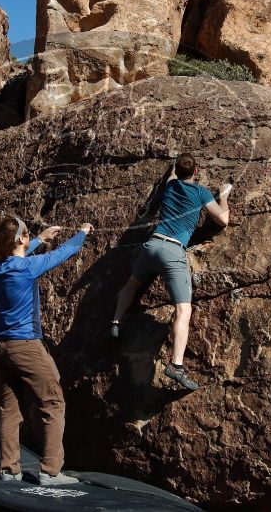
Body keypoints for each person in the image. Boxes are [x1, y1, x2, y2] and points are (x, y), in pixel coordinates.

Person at [111, 155, 232, 390]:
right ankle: (176, 366)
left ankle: (115, 321)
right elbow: (223, 220)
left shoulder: (170, 185)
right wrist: (223, 196)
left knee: (132, 284)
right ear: (196, 172)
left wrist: (174, 167)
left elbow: (172, 175)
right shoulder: (201, 193)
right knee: (183, 309)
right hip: (173, 251)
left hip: (152, 245)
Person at [0, 216, 93, 485]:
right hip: (26, 346)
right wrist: (81, 232)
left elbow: (18, 256)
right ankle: (50, 471)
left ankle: (8, 469)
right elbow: (65, 252)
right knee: (53, 402)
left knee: (9, 409)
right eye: (27, 234)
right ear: (21, 239)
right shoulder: (28, 268)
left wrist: (40, 239)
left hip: (1, 346)